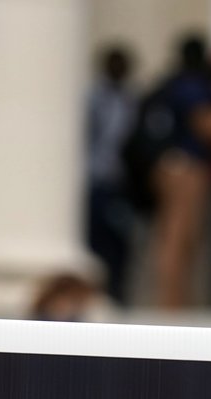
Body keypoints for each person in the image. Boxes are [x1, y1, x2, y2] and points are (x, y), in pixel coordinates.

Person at [138, 35, 211, 309]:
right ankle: (172, 304)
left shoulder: (171, 84)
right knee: (178, 237)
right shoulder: (193, 87)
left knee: (178, 236)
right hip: (185, 168)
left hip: (168, 166)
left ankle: (175, 302)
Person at [85, 45, 137, 306]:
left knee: (120, 245)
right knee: (95, 242)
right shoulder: (93, 98)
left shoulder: (130, 99)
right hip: (95, 179)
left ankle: (117, 295)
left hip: (120, 183)